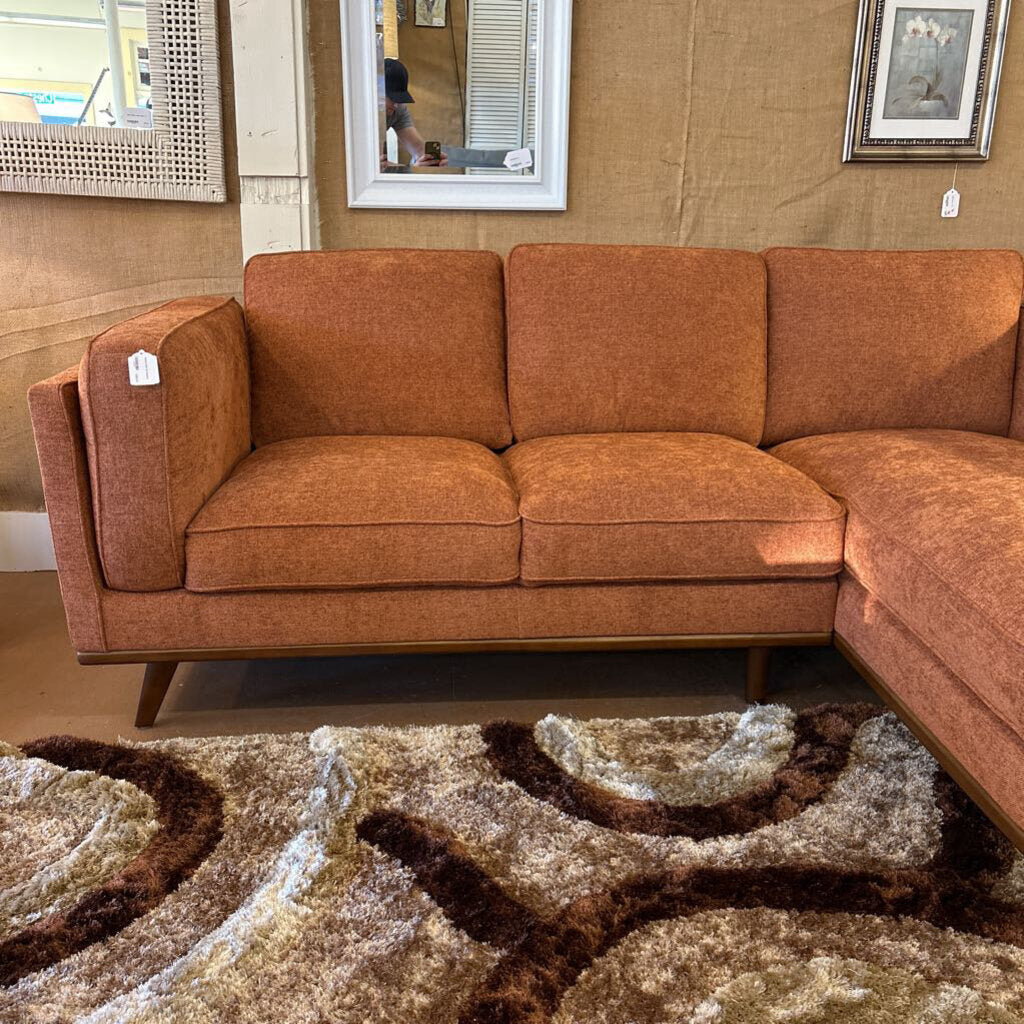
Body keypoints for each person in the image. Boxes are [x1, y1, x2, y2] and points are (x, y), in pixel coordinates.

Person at [382, 58, 447, 168]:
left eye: (400, 99)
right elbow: (376, 167)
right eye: (393, 98)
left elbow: (419, 150)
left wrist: (430, 162)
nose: (397, 105)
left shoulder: (398, 110)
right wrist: (411, 170)